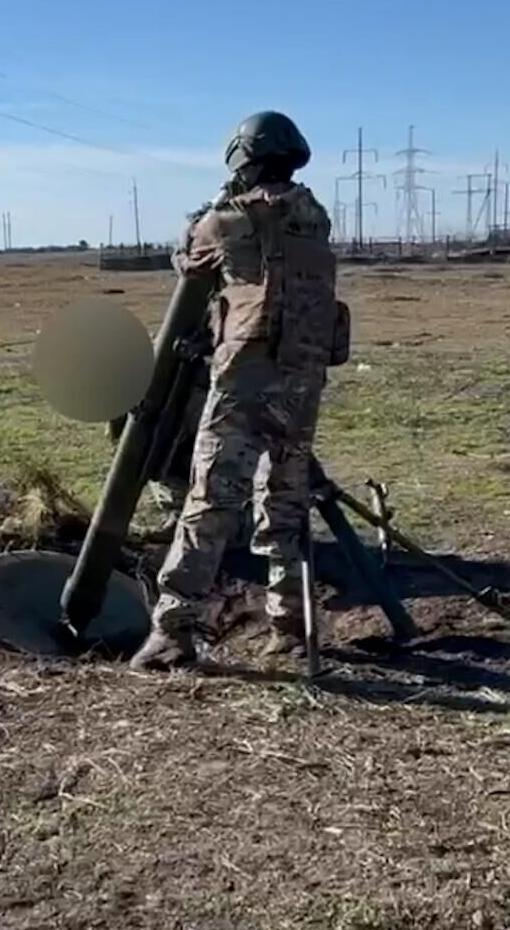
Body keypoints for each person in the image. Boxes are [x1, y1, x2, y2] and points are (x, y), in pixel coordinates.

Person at [131, 110, 348, 671]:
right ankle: (291, 630)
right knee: (286, 502)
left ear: (241, 161)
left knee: (210, 502)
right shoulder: (316, 217)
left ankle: (173, 628)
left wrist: (211, 210)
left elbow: (189, 260)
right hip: (301, 383)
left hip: (242, 382)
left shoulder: (224, 221)